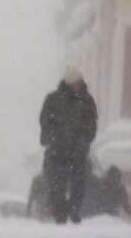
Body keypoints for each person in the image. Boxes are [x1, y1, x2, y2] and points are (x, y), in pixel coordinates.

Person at [40, 67, 98, 224]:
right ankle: (60, 213)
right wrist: (51, 139)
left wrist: (85, 140)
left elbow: (92, 124)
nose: (77, 86)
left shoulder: (87, 100)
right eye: (74, 83)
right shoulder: (53, 99)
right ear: (68, 83)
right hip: (57, 150)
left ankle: (74, 209)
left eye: (79, 83)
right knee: (56, 183)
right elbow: (45, 120)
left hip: (78, 150)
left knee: (79, 183)